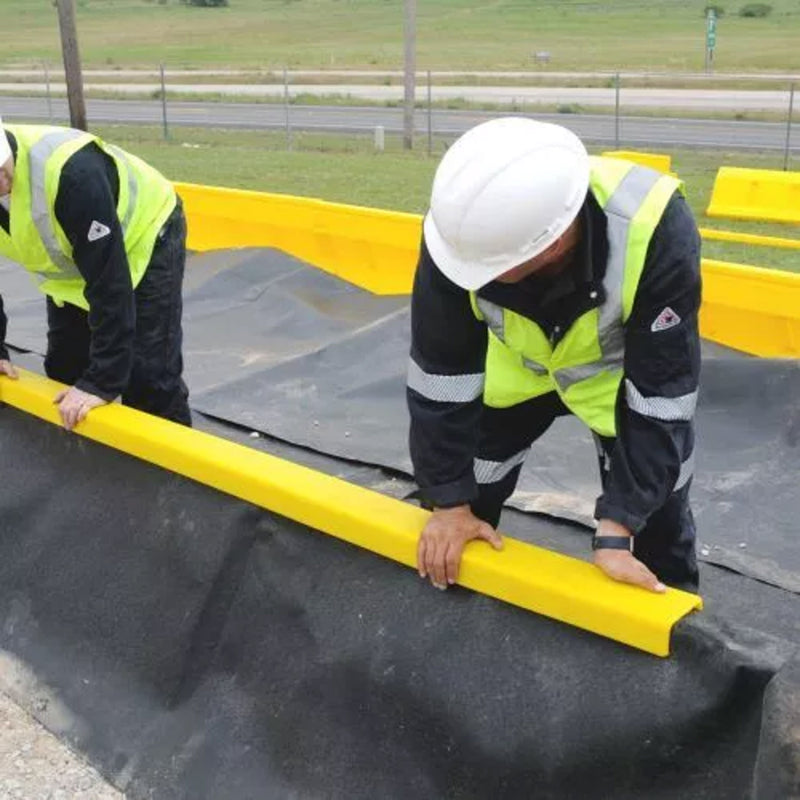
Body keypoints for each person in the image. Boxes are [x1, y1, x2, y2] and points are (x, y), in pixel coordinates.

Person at [407, 117, 701, 595]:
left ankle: (674, 636)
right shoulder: (462, 233)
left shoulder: (655, 228)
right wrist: (447, 502)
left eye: (496, 269)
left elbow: (663, 394)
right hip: (518, 370)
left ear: (555, 240)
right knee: (460, 507)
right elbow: (440, 371)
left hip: (617, 380)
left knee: (655, 524)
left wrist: (619, 526)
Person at [0, 118, 191, 429]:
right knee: (66, 369)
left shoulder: (70, 173)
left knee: (148, 379)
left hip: (144, 236)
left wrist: (102, 381)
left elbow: (109, 282)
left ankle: (175, 474)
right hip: (78, 266)